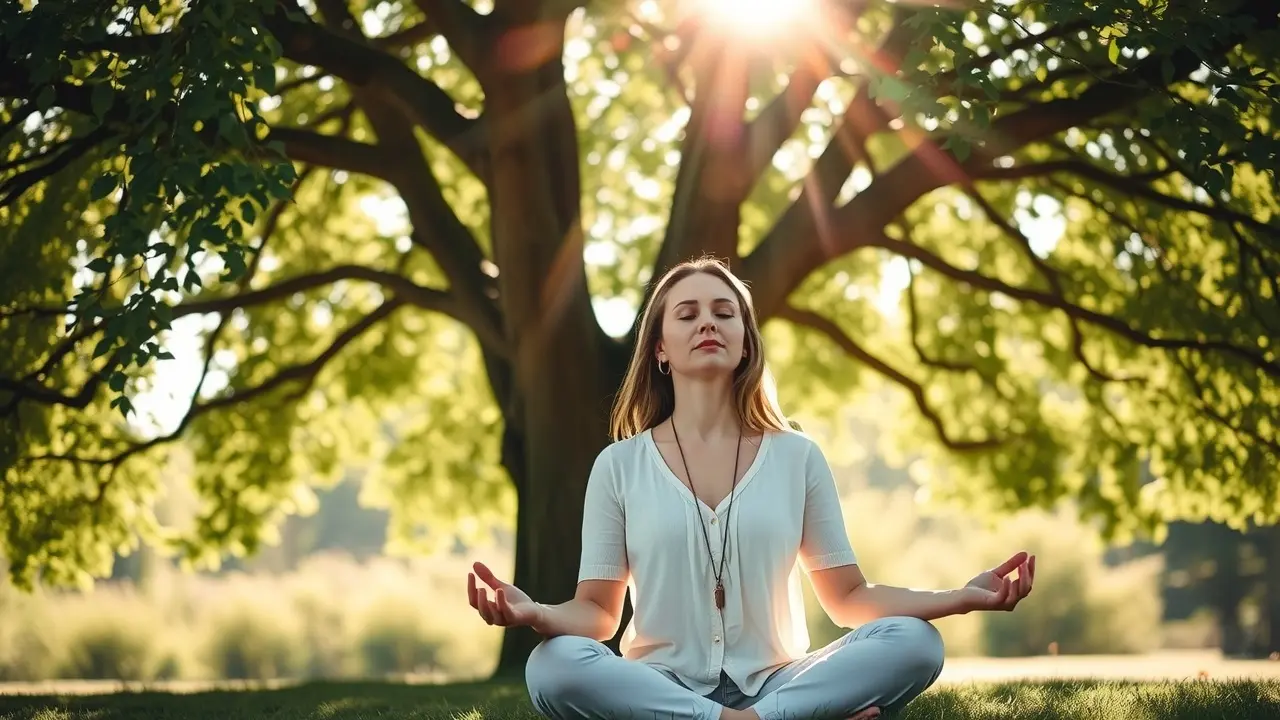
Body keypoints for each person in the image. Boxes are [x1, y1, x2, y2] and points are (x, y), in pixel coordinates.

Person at [467, 257, 1036, 720]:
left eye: (724, 313)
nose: (707, 324)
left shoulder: (798, 456)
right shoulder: (619, 466)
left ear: (745, 342)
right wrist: (536, 613)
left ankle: (759, 718)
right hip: (659, 684)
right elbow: (597, 615)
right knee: (552, 666)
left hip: (779, 679)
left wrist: (958, 599)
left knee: (915, 644)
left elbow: (849, 600)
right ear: (660, 349)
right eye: (687, 315)